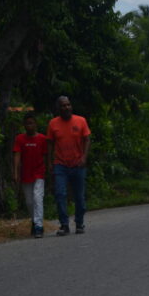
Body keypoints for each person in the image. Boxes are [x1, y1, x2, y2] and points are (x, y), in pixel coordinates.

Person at [47, 96, 91, 236]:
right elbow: (50, 144)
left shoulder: (81, 120)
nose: (66, 108)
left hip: (78, 164)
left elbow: (87, 139)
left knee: (79, 196)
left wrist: (84, 157)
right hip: (60, 165)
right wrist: (49, 162)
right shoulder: (53, 124)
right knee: (60, 194)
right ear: (58, 108)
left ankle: (79, 223)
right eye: (63, 106)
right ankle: (64, 225)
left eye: (68, 105)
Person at [14, 112, 48, 238]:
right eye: (27, 123)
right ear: (24, 125)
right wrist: (15, 172)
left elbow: (45, 156)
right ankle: (34, 221)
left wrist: (48, 170)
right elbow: (17, 155)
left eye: (32, 123)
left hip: (39, 172)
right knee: (29, 201)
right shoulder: (20, 139)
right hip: (26, 173)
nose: (30, 126)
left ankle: (39, 226)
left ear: (36, 124)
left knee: (37, 197)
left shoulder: (42, 139)